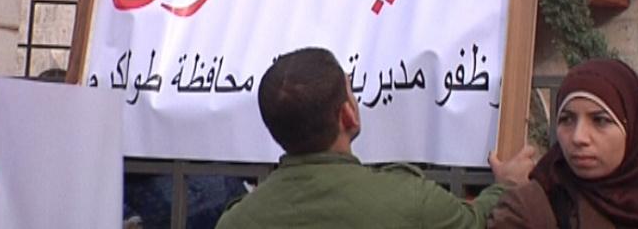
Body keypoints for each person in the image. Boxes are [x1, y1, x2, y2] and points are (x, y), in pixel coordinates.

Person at [216, 47, 536, 229]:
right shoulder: (410, 200)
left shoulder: (235, 222)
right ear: (347, 115)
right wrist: (508, 186)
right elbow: (479, 222)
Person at [488, 58, 638, 228]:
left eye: (600, 121)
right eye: (567, 119)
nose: (578, 137)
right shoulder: (531, 208)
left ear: (632, 130)